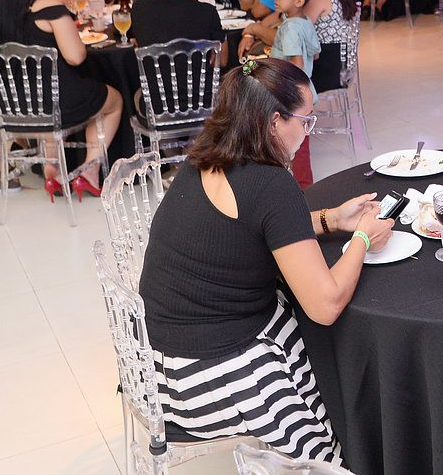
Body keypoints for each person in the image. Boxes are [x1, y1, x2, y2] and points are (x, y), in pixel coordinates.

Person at [137, 57, 391, 464]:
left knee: (293, 313)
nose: (308, 133)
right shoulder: (272, 184)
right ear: (274, 121)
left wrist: (332, 218)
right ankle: (336, 444)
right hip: (199, 377)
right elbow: (325, 305)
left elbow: (253, 226)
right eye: (305, 121)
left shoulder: (207, 156)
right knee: (316, 323)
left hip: (153, 359)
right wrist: (363, 237)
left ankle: (328, 407)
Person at [0, 0, 122, 197]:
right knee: (113, 100)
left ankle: (52, 167)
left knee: (48, 95)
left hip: (13, 104)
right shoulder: (48, 9)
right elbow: (76, 57)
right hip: (55, 104)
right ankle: (90, 171)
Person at [270, 0, 321, 79]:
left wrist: (271, 67)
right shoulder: (306, 21)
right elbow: (315, 55)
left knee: (248, 69)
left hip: (287, 83)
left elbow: (297, 65)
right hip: (305, 82)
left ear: (299, 1)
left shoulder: (289, 28)